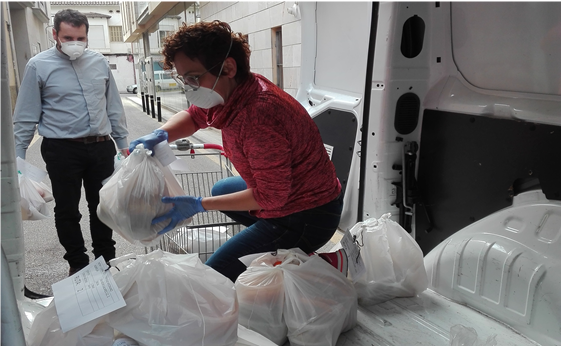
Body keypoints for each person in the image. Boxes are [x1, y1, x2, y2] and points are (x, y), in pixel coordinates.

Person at [129, 20, 345, 283]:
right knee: (222, 189)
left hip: (307, 214)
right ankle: (270, 244)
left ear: (228, 67)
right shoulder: (236, 90)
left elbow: (271, 197)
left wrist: (198, 206)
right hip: (290, 194)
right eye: (183, 78)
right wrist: (161, 134)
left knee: (213, 276)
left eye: (193, 78)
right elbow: (196, 116)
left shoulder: (258, 114)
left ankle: (283, 244)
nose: (188, 87)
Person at [13, 9, 129, 276]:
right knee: (67, 210)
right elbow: (25, 117)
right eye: (68, 37)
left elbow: (114, 106)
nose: (75, 42)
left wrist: (123, 147)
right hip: (62, 149)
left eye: (81, 37)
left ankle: (106, 260)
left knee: (103, 206)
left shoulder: (99, 62)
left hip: (101, 147)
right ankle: (77, 263)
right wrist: (19, 160)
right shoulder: (38, 66)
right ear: (55, 34)